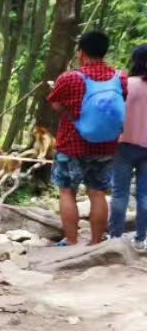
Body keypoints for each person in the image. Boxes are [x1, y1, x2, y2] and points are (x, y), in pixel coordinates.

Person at [46, 31, 128, 246]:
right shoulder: (120, 78)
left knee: (66, 192)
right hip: (105, 146)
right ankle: (95, 243)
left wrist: (71, 113)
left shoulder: (70, 77)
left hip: (71, 145)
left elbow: (55, 104)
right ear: (104, 51)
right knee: (98, 193)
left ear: (81, 53)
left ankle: (72, 243)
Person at [110, 44, 147, 251]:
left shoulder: (125, 84)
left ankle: (115, 237)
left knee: (120, 193)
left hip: (123, 144)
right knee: (145, 195)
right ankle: (141, 239)